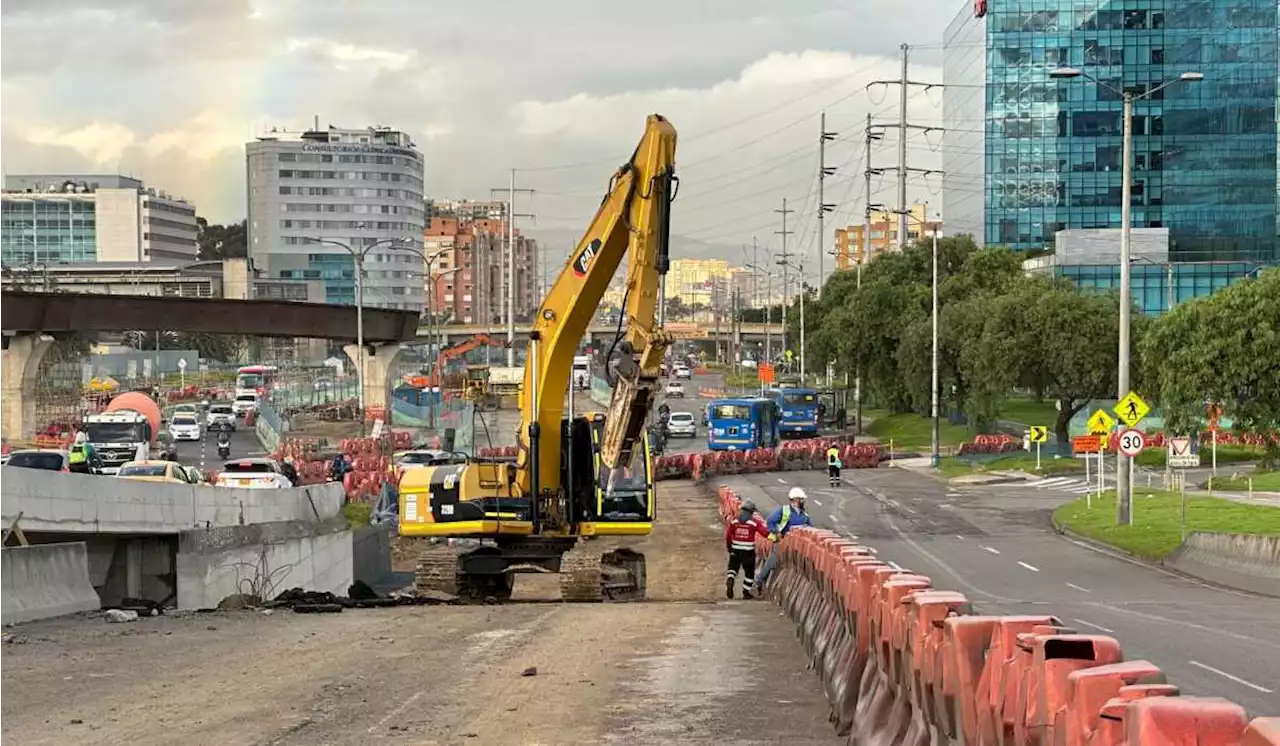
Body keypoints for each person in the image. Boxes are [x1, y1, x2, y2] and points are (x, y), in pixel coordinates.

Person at [756, 487, 812, 593]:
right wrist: (776, 532)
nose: (803, 502)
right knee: (772, 562)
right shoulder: (784, 510)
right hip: (782, 542)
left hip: (797, 546)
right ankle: (759, 581)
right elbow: (770, 521)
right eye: (801, 499)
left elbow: (810, 530)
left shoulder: (804, 515)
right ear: (796, 499)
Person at [724, 500, 768, 599]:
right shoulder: (754, 522)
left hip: (735, 549)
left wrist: (729, 547)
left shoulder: (734, 521)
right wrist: (775, 537)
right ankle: (746, 592)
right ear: (751, 512)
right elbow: (765, 533)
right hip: (748, 551)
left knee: (733, 568)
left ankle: (730, 579)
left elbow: (728, 535)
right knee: (749, 572)